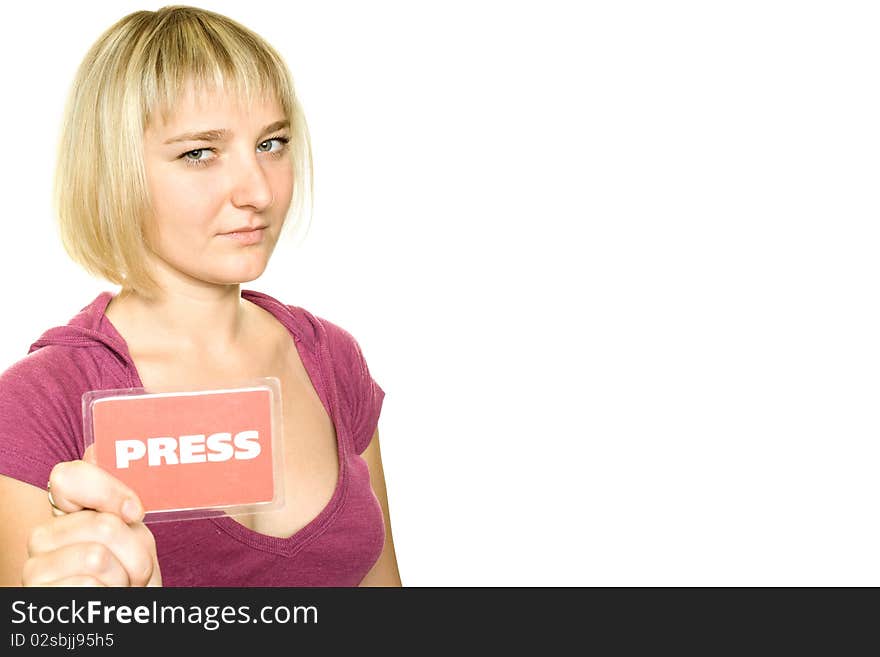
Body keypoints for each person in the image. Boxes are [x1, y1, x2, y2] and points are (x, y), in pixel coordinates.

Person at [0, 5, 401, 587]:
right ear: (116, 171)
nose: (258, 190)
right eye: (199, 152)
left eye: (272, 143)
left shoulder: (332, 360)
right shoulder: (39, 404)